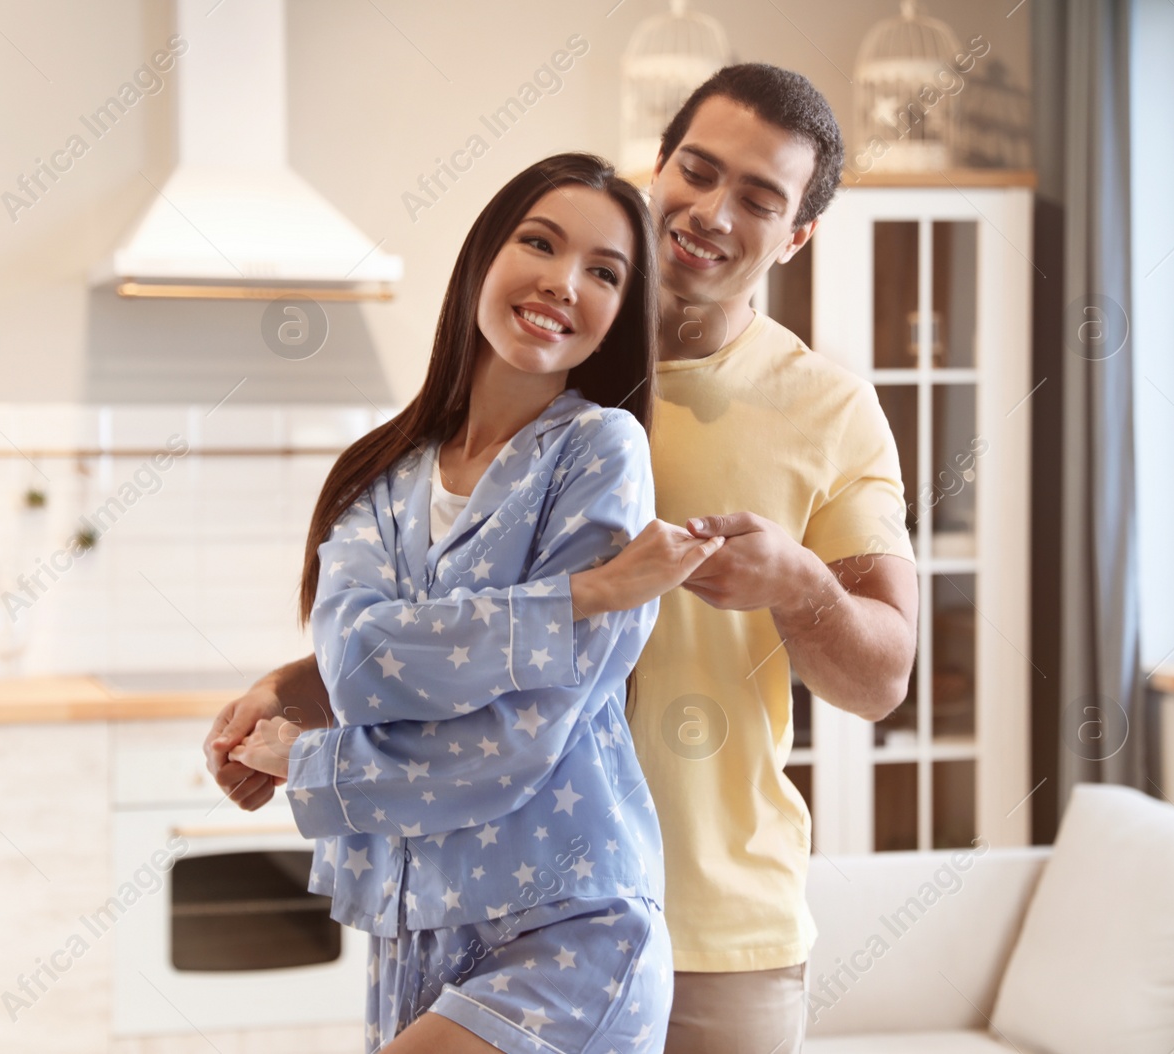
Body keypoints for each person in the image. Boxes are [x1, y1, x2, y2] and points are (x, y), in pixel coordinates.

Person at [212, 64, 919, 1053]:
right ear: (657, 168)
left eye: (758, 199)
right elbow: (453, 622)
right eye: (697, 170)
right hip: (491, 907)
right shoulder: (537, 366)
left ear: (795, 235)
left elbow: (884, 673)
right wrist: (303, 688)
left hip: (719, 933)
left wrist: (797, 581)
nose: (713, 210)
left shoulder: (830, 410)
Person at [226, 152, 724, 1054]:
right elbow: (360, 660)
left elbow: (517, 737)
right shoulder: (378, 477)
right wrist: (583, 594)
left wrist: (313, 763)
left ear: (619, 313)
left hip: (571, 933)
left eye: (604, 273)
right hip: (414, 939)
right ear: (483, 257)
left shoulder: (600, 454)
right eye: (540, 242)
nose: (564, 283)